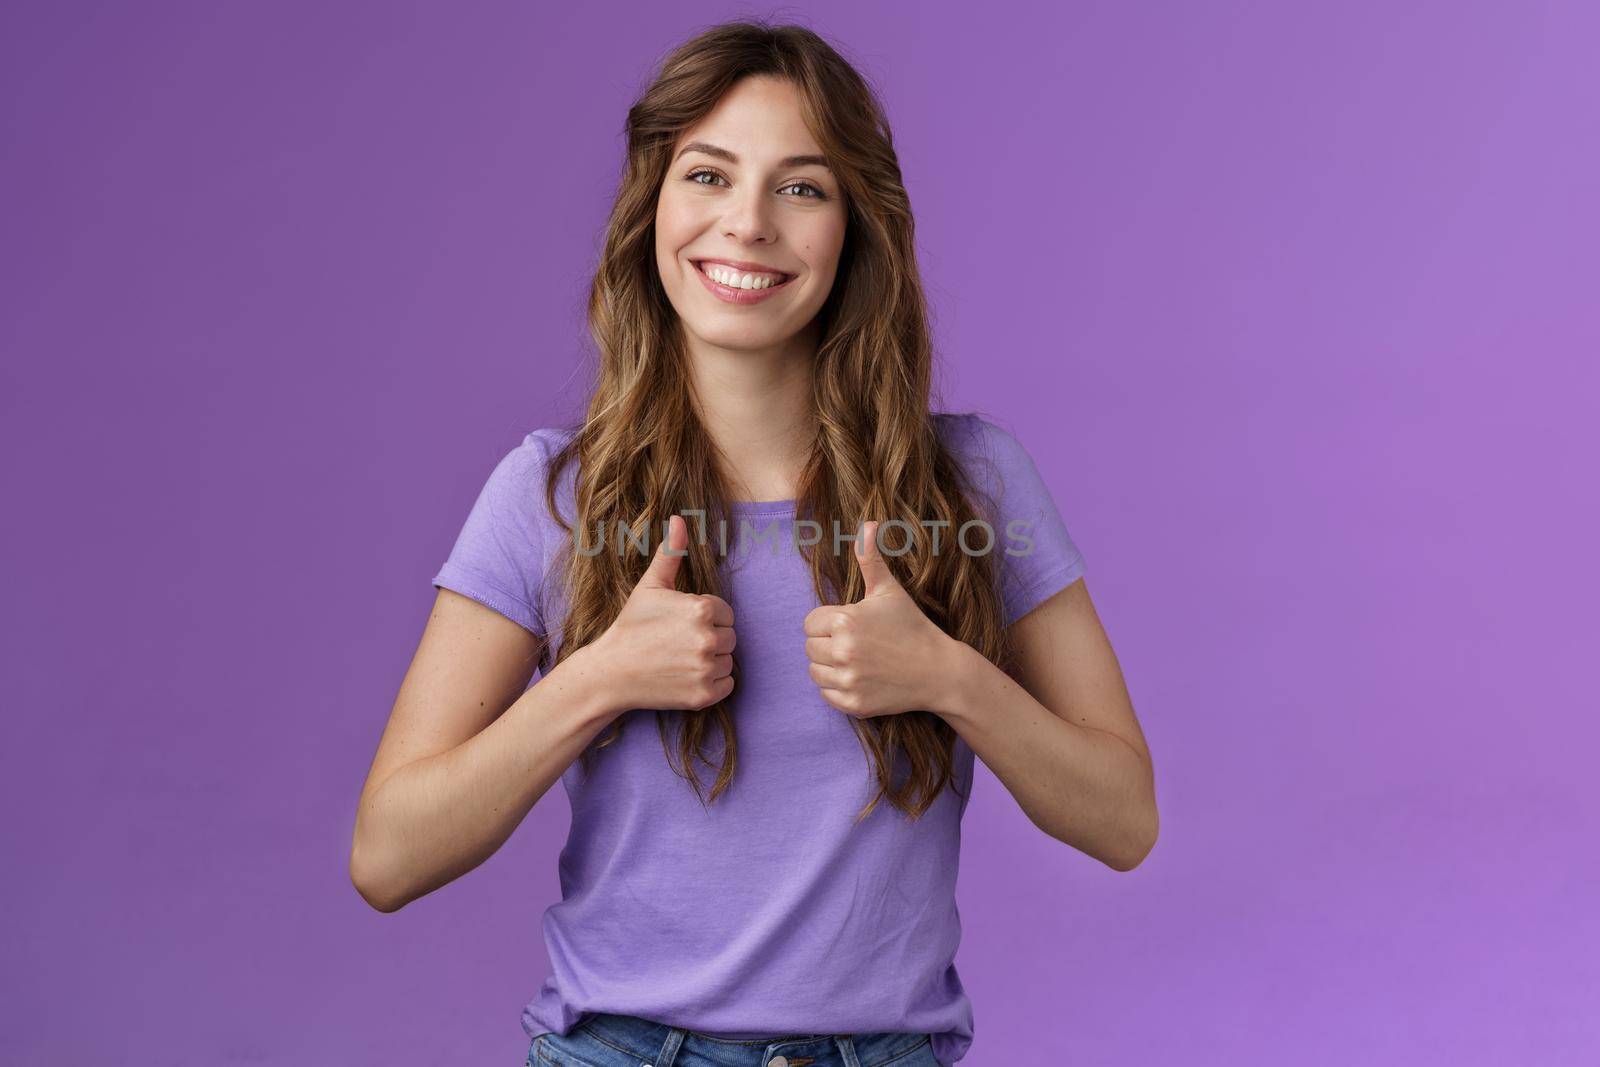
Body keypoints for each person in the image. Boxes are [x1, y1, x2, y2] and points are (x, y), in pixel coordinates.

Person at [350, 19, 1156, 1067]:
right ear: (652, 208)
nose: (746, 224)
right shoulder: (549, 495)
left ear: (856, 229)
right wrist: (597, 679)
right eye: (708, 175)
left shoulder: (973, 483)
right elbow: (388, 853)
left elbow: (1123, 819)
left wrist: (950, 675)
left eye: (801, 187)